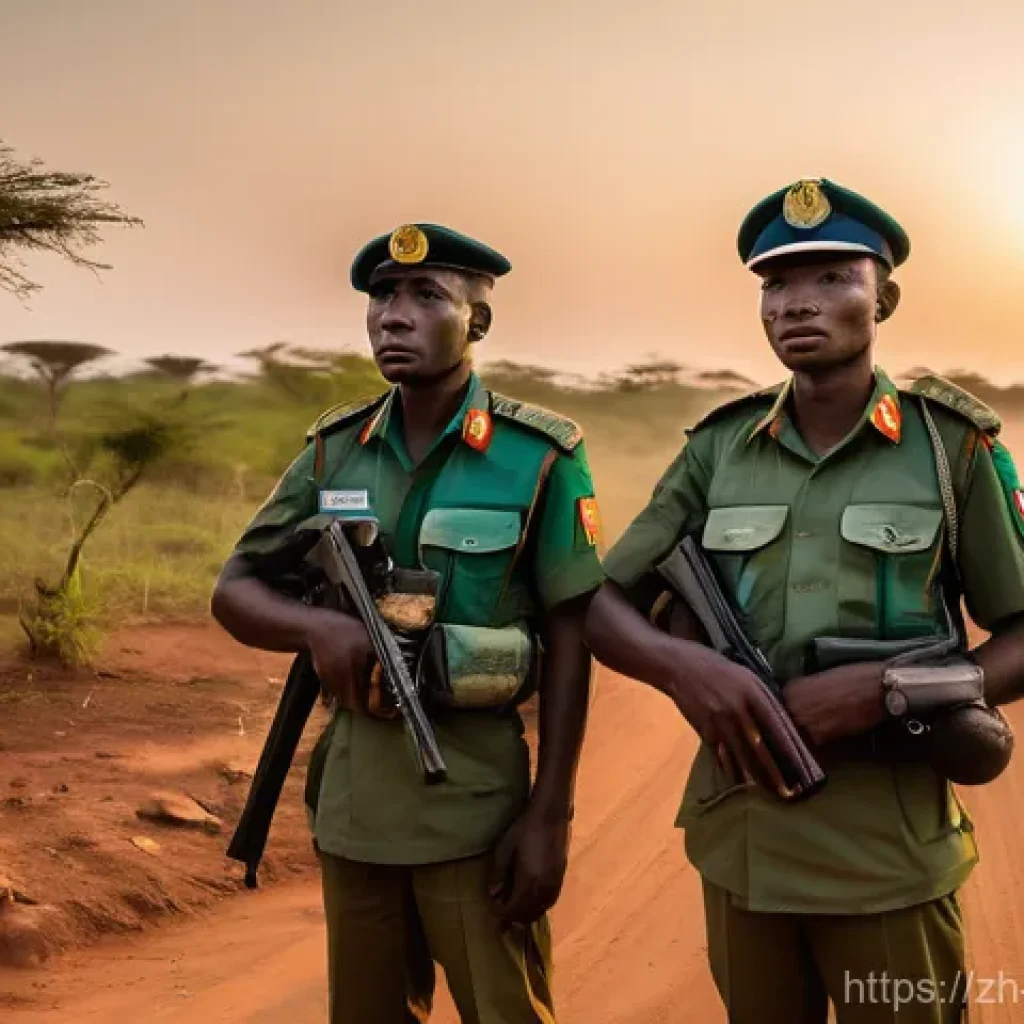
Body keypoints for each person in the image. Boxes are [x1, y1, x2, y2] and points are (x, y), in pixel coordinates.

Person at [584, 178, 1024, 1023]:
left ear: (883, 298)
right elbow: (605, 602)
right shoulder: (720, 450)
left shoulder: (950, 447)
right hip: (745, 835)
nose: (797, 304)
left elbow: (1023, 632)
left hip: (888, 847)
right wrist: (686, 672)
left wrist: (890, 691)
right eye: (776, 284)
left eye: (830, 279)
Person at [211, 223, 604, 1023]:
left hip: (476, 804)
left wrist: (550, 816)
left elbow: (572, 636)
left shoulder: (539, 458)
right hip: (357, 803)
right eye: (383, 296)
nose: (395, 315)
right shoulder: (334, 453)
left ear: (477, 323)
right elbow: (236, 588)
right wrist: (318, 631)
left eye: (428, 296)